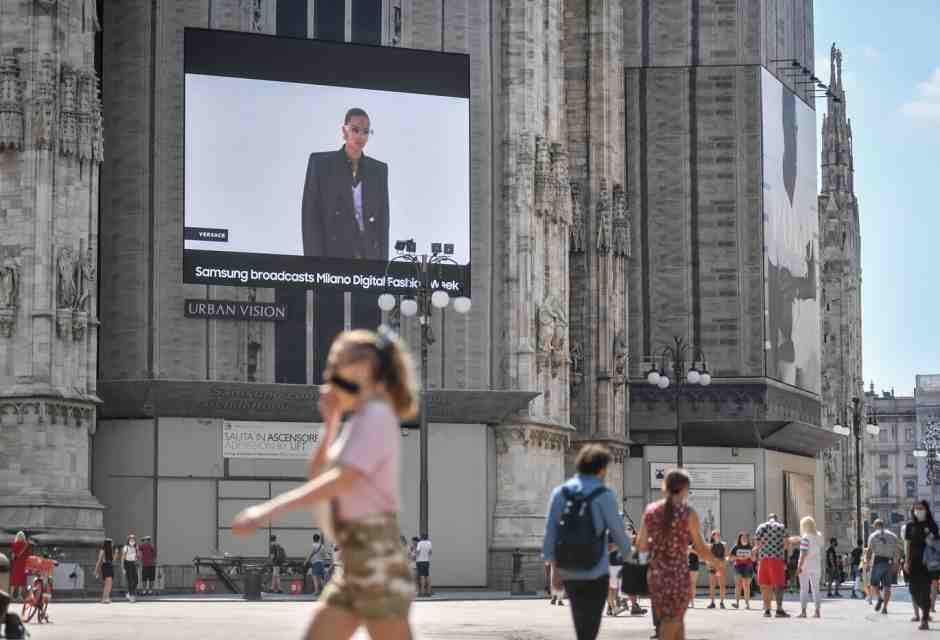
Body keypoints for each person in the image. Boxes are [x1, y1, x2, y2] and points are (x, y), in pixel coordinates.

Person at [233, 326, 418, 640]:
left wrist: (266, 511)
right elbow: (318, 473)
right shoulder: (359, 420)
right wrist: (331, 422)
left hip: (376, 559)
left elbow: (341, 480)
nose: (328, 374)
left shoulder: (377, 416)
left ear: (363, 369)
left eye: (335, 365)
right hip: (353, 560)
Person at [542, 444, 633, 640]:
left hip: (570, 570)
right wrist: (630, 556)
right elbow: (619, 533)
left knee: (580, 621)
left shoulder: (560, 493)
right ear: (601, 469)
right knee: (590, 626)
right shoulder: (604, 495)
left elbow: (550, 534)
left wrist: (554, 568)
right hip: (596, 570)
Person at [636, 469, 718, 640]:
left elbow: (641, 545)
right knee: (672, 621)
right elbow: (700, 547)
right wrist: (717, 562)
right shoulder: (687, 513)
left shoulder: (651, 510)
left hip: (656, 574)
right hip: (678, 575)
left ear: (664, 486)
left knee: (676, 622)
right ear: (685, 488)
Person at [301, 108, 390, 261]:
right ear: (344, 131)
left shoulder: (379, 170)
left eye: (365, 131)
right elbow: (310, 219)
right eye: (355, 130)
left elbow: (383, 223)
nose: (360, 136)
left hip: (369, 256)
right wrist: (314, 265)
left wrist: (383, 267)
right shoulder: (321, 165)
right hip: (332, 255)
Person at [905, 500, 940, 631]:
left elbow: (937, 543)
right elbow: (908, 545)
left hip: (928, 563)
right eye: (916, 508)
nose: (918, 511)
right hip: (913, 562)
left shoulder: (932, 525)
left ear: (926, 510)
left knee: (925, 590)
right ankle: (925, 609)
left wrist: (930, 538)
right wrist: (906, 561)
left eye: (921, 508)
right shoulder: (910, 525)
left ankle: (924, 619)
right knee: (913, 590)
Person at [753, 513, 791, 618]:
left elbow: (757, 545)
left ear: (768, 519)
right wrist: (779, 547)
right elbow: (786, 545)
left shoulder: (760, 527)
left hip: (763, 559)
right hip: (777, 558)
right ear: (776, 519)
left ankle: (767, 610)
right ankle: (779, 610)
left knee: (765, 585)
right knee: (778, 585)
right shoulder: (781, 527)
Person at [867, 518, 901, 615]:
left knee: (874, 583)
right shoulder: (893, 536)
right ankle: (885, 608)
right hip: (889, 562)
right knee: (887, 586)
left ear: (875, 526)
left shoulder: (873, 535)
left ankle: (879, 598)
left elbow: (869, 551)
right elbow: (897, 551)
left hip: (878, 561)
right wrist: (896, 563)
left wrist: (868, 563)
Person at [796, 516, 824, 618]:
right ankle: (817, 611)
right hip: (816, 565)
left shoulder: (805, 537)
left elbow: (803, 553)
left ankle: (803, 611)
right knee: (816, 589)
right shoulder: (819, 536)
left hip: (805, 565)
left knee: (804, 588)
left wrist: (799, 566)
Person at [729, 532, 754, 609]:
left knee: (746, 585)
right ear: (739, 539)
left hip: (748, 566)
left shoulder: (751, 547)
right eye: (742, 537)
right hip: (738, 566)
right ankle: (736, 603)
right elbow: (730, 558)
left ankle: (747, 604)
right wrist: (738, 558)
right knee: (738, 585)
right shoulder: (736, 547)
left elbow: (754, 559)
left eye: (746, 537)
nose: (744, 539)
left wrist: (750, 556)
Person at [706, 531, 727, 609]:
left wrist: (724, 564)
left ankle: (722, 602)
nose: (717, 536)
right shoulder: (710, 545)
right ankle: (712, 602)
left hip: (720, 567)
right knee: (712, 585)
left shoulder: (724, 544)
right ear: (713, 536)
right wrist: (708, 564)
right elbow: (707, 557)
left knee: (721, 585)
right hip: (713, 567)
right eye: (716, 535)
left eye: (718, 534)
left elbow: (726, 556)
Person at [94, 538, 117, 604]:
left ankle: (106, 597)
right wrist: (96, 570)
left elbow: (113, 561)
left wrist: (116, 554)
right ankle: (104, 598)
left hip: (110, 566)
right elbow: (99, 560)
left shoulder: (111, 551)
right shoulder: (102, 550)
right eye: (111, 543)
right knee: (107, 583)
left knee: (110, 583)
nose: (112, 544)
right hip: (106, 566)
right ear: (108, 544)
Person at [9, 531, 29, 602]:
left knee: (14, 581)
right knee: (21, 581)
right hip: (23, 565)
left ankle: (11, 596)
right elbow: (28, 556)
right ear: (24, 537)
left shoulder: (14, 544)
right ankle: (20, 596)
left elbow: (12, 556)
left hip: (16, 565)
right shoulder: (26, 545)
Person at [120, 533, 140, 602]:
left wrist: (137, 550)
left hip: (133, 563)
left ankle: (129, 593)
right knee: (130, 580)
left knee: (136, 580)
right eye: (131, 539)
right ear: (128, 540)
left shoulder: (135, 547)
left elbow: (138, 557)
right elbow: (122, 558)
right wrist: (122, 567)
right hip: (127, 563)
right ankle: (132, 596)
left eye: (133, 539)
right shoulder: (126, 547)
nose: (132, 540)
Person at [687, 543, 701, 608]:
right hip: (691, 565)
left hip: (694, 566)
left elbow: (700, 555)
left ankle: (692, 602)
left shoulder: (698, 546)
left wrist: (692, 550)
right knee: (691, 584)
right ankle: (691, 602)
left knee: (692, 584)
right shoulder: (690, 546)